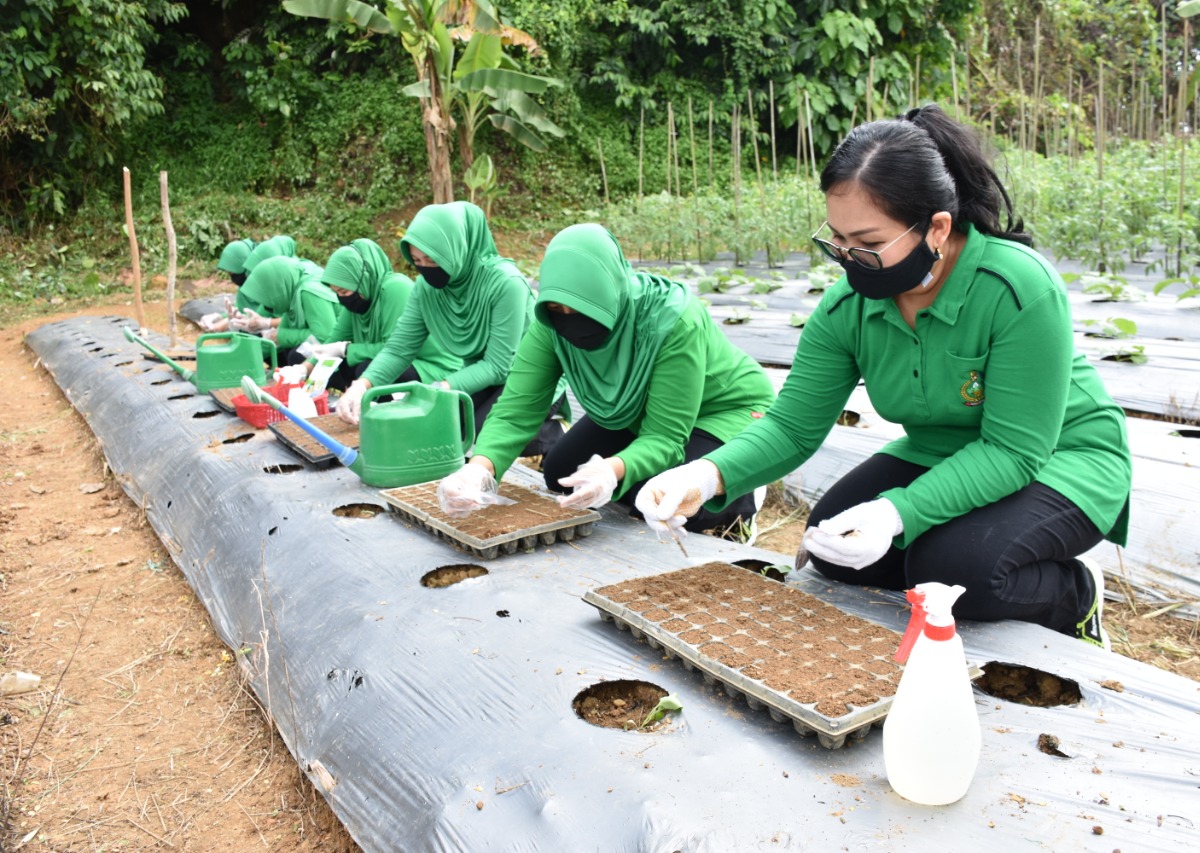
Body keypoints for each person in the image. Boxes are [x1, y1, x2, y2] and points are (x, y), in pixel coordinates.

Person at [635, 105, 1132, 648]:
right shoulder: (848, 307)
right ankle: (936, 560)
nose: (851, 260)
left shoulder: (1016, 288)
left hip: (1060, 458)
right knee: (832, 547)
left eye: (870, 244)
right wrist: (705, 475)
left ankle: (1074, 597)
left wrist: (899, 511)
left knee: (953, 569)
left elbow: (1014, 451)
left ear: (937, 228)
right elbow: (793, 428)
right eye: (840, 242)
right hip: (939, 452)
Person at [435, 223, 776, 538]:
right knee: (562, 474)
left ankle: (743, 494)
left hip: (724, 409)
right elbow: (516, 410)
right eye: (557, 309)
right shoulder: (549, 327)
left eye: (582, 310)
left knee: (669, 501)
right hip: (636, 411)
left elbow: (664, 436)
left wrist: (612, 470)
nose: (569, 321)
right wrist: (479, 469)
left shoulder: (674, 320)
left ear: (609, 292)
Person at [334, 202, 563, 456]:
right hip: (481, 373)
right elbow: (399, 349)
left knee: (485, 431)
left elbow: (498, 365)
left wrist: (439, 388)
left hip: (530, 373)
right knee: (443, 424)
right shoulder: (425, 289)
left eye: (433, 260)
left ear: (457, 249)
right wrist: (361, 386)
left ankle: (557, 435)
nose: (426, 269)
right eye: (418, 261)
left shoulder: (506, 283)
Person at [306, 239, 462, 391]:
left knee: (366, 367)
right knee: (349, 366)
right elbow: (335, 338)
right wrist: (303, 368)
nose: (342, 298)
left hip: (433, 365)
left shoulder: (396, 289)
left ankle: (391, 413)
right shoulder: (361, 297)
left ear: (364, 279)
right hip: (402, 361)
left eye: (344, 292)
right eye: (337, 293)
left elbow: (395, 349)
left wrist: (346, 349)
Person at [235, 254, 335, 364]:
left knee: (296, 356)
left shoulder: (309, 293)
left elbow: (325, 336)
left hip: (339, 348)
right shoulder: (291, 292)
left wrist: (279, 335)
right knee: (288, 350)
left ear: (276, 286)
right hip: (327, 340)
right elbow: (284, 328)